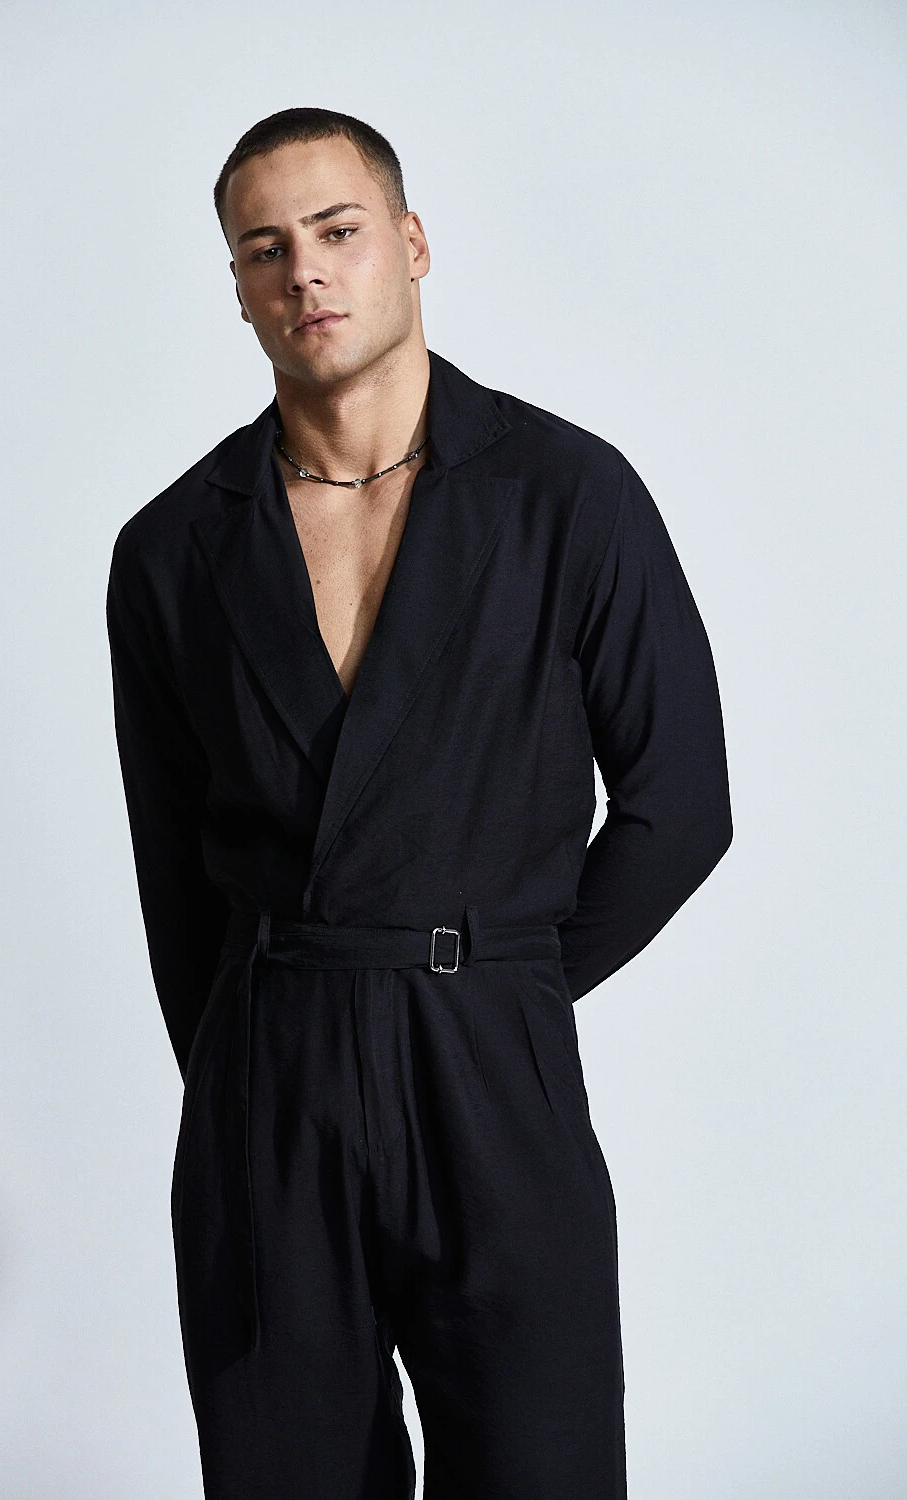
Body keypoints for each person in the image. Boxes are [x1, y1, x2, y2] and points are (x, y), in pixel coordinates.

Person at [106, 105, 733, 1500]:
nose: (306, 273)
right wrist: (252, 1067)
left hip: (492, 1066)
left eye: (337, 231)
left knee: (541, 1469)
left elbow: (682, 805)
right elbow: (173, 877)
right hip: (271, 1082)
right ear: (237, 288)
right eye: (264, 250)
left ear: (411, 243)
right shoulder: (171, 550)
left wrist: (505, 983)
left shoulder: (568, 495)